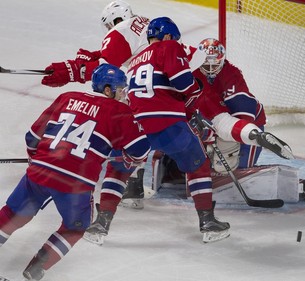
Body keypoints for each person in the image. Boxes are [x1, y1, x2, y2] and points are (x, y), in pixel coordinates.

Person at [0, 64, 150, 281]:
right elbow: (141, 150)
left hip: (39, 171)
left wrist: (36, 161)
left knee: (12, 214)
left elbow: (32, 137)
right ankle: (35, 270)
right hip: (74, 184)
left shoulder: (66, 97)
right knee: (75, 227)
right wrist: (129, 158)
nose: (123, 94)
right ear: (107, 90)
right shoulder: (119, 111)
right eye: (119, 89)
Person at [41, 1, 150, 247]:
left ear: (112, 22)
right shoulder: (146, 24)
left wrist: (71, 70)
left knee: (119, 143)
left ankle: (102, 223)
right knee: (138, 139)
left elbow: (105, 71)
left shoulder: (117, 32)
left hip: (141, 94)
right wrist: (90, 59)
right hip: (164, 92)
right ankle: (136, 186)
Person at [155, 38, 305, 203]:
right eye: (206, 65)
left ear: (222, 61)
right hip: (211, 122)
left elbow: (244, 116)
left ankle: (295, 185)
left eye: (214, 65)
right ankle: (181, 171)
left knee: (235, 169)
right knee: (201, 157)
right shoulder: (192, 74)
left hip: (243, 125)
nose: (210, 70)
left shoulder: (232, 75)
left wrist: (222, 136)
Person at [124, 16, 231, 243]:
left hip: (137, 126)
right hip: (166, 124)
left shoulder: (133, 61)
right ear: (168, 36)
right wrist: (196, 90)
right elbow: (182, 83)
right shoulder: (169, 46)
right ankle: (208, 222)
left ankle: (101, 221)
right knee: (198, 163)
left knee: (124, 161)